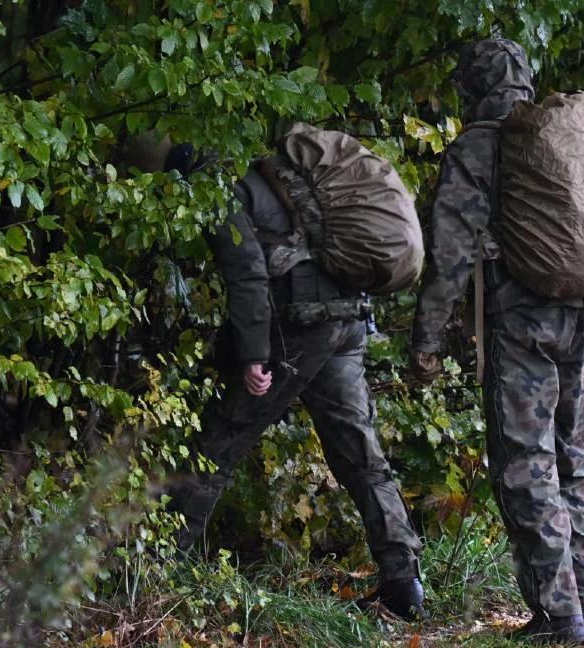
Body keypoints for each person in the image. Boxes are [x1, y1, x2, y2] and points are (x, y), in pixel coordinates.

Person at [125, 132, 427, 621]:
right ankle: (404, 583)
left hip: (301, 323)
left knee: (217, 441)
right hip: (345, 319)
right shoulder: (267, 171)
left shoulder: (220, 190)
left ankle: (158, 578)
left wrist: (253, 356)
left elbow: (246, 275)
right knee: (360, 453)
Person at [409, 38, 584, 644]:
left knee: (528, 467)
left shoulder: (479, 148)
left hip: (522, 327)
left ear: (471, 86)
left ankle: (561, 617)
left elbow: (451, 255)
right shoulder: (573, 140)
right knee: (575, 467)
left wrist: (426, 341)